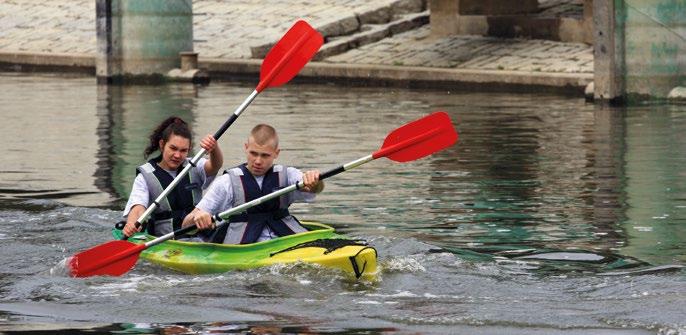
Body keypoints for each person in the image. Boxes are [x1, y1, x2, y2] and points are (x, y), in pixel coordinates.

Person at [183, 124, 323, 244]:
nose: (257, 161)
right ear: (246, 148)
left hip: (285, 238)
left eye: (265, 155)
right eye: (253, 153)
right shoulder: (226, 182)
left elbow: (315, 189)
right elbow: (186, 224)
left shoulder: (288, 175)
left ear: (276, 153)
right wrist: (198, 217)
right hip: (245, 246)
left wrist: (315, 180)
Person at [122, 116, 223, 238]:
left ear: (189, 150)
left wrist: (214, 148)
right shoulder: (145, 176)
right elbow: (138, 207)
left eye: (183, 150)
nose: (177, 155)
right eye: (173, 148)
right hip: (165, 241)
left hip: (200, 236)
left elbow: (215, 165)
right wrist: (132, 224)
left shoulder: (195, 165)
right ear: (162, 144)